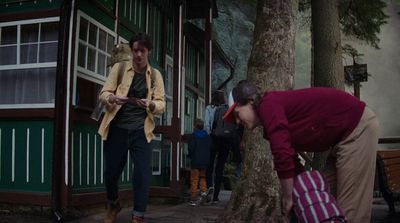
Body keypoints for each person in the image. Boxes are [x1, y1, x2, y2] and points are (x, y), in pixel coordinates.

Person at [223, 80, 379, 223]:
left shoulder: (268, 104)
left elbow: (282, 154)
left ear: (250, 101)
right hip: (340, 139)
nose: (237, 122)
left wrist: (288, 197)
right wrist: (295, 201)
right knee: (319, 199)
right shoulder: (270, 122)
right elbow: (291, 161)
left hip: (357, 128)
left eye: (237, 114)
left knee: (351, 212)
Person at [98, 33, 165, 223]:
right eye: (135, 50)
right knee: (111, 173)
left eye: (142, 51)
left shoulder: (155, 75)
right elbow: (104, 93)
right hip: (117, 128)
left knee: (142, 174)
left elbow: (161, 104)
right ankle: (113, 204)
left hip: (141, 131)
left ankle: (138, 215)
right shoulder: (119, 69)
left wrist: (151, 105)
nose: (138, 55)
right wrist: (111, 98)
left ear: (148, 52)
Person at [188, 119, 212, 206]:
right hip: (205, 161)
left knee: (194, 179)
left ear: (195, 126)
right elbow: (210, 148)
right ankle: (204, 193)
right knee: (203, 178)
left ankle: (193, 198)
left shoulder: (193, 136)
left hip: (195, 161)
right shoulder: (207, 137)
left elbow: (191, 148)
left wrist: (190, 156)